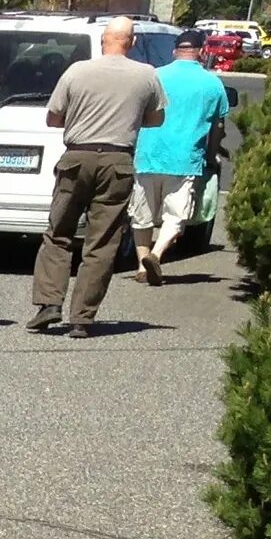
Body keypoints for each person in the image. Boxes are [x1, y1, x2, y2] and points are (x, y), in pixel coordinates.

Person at [31, 17, 165, 337]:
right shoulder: (146, 75)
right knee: (102, 241)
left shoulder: (77, 70)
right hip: (118, 161)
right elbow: (157, 118)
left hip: (77, 156)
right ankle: (82, 317)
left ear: (104, 40)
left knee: (59, 232)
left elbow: (53, 117)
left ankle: (49, 303)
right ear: (131, 42)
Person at [130, 36, 230, 282]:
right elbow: (218, 125)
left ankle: (142, 267)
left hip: (147, 154)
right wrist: (211, 153)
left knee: (141, 214)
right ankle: (156, 253)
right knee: (176, 215)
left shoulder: (154, 76)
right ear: (202, 51)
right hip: (185, 158)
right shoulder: (212, 84)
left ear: (175, 51)